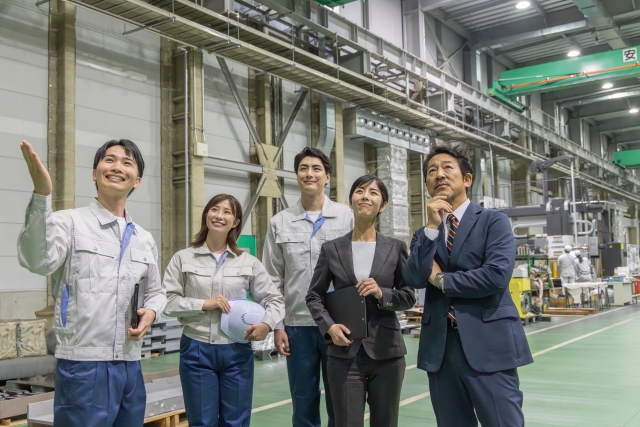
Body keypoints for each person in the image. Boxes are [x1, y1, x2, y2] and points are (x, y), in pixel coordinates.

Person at [17, 139, 167, 427]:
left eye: (127, 162)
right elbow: (36, 260)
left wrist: (151, 311)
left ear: (137, 181)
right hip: (83, 365)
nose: (117, 167)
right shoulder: (70, 223)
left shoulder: (144, 239)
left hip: (130, 363)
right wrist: (41, 195)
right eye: (109, 160)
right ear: (95, 174)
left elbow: (156, 292)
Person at [402, 144, 533, 427]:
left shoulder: (493, 221)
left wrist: (441, 279)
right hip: (441, 349)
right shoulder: (425, 233)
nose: (439, 174)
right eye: (432, 171)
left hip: (489, 344)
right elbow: (412, 277)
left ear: (467, 179)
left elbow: (495, 276)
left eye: (447, 167)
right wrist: (431, 228)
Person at [163, 194, 285, 427]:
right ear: (206, 214)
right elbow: (168, 302)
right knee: (201, 422)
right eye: (215, 209)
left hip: (236, 350)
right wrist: (204, 304)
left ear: (236, 222)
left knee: (236, 421)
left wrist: (267, 324)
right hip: (196, 348)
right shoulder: (183, 258)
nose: (219, 216)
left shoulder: (248, 262)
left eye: (227, 212)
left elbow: (274, 299)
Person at [306, 175, 416, 427]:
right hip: (345, 354)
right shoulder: (332, 249)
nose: (366, 196)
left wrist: (382, 293)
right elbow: (314, 295)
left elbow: (409, 295)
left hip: (387, 354)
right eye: (360, 191)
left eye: (373, 193)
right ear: (351, 201)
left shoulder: (395, 248)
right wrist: (328, 327)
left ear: (383, 205)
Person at [262, 147, 353, 427]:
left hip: (339, 324)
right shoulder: (280, 222)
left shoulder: (347, 218)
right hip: (297, 326)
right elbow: (272, 279)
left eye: (316, 169)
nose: (309, 174)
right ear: (297, 175)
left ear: (327, 176)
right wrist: (277, 325)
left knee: (341, 402)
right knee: (303, 401)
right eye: (303, 168)